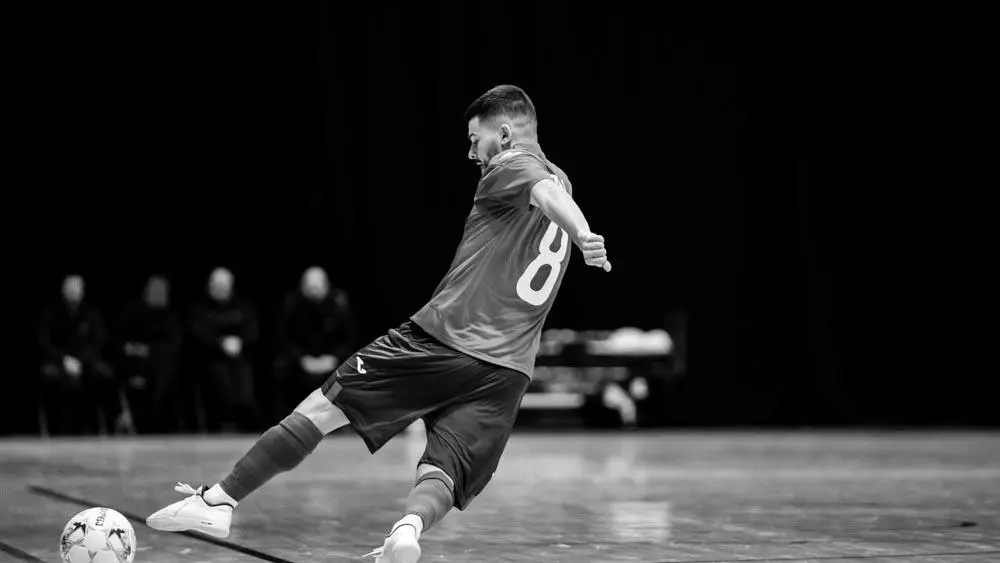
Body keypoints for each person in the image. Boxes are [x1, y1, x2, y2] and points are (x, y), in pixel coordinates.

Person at [145, 85, 611, 563]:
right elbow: (552, 191)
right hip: (508, 371)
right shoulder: (565, 179)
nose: (471, 152)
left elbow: (542, 190)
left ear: (506, 134)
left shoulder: (509, 165)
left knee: (324, 406)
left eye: (476, 139)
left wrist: (582, 234)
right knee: (444, 468)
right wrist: (577, 229)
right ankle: (406, 533)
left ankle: (217, 502)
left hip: (446, 339)